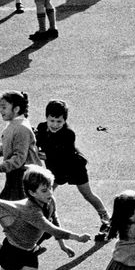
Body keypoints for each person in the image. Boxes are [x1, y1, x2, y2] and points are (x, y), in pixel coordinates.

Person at [35, 99, 112, 240]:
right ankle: (47, 224)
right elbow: (36, 143)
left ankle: (107, 220)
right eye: (51, 120)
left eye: (59, 121)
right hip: (55, 169)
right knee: (45, 195)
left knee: (87, 194)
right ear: (46, 118)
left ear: (65, 120)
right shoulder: (41, 128)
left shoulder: (69, 134)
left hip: (73, 167)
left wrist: (41, 154)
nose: (55, 125)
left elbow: (59, 155)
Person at [0, 91, 40, 201]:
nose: (0, 111)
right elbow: (7, 147)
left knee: (14, 212)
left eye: (4, 107)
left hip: (24, 178)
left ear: (16, 109)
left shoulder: (21, 129)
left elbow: (19, 158)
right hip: (16, 176)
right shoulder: (14, 124)